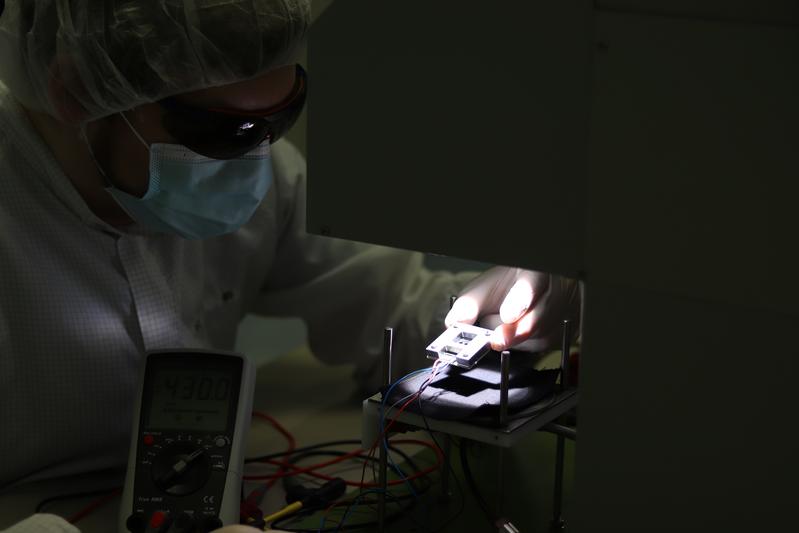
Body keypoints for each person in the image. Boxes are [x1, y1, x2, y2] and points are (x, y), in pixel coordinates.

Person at [0, 1, 579, 531]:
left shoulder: (263, 177)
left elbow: (384, 306)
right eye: (223, 131)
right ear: (75, 91)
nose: (255, 157)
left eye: (278, 118)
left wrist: (506, 309)